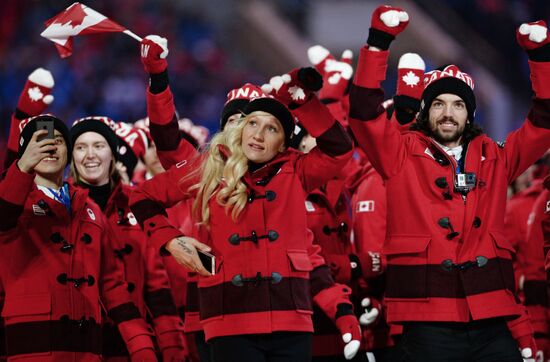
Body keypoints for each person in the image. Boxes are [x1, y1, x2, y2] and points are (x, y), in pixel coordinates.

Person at [348, 5, 550, 361]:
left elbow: (544, 123)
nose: (447, 113)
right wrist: (379, 42)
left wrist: (541, 58)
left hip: (490, 315)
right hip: (426, 318)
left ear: (470, 113)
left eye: (458, 104)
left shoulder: (496, 157)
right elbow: (364, 111)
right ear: (425, 111)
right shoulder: (400, 152)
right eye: (438, 103)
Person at [129, 68, 364, 361]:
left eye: (272, 128)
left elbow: (339, 149)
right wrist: (173, 242)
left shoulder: (295, 170)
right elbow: (143, 192)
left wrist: (301, 101)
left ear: (284, 142)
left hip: (291, 318)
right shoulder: (207, 167)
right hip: (227, 318)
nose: (258, 134)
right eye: (250, 123)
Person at [0, 115, 157, 361]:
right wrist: (21, 168)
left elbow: (113, 287)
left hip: (86, 350)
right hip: (31, 350)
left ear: (69, 153)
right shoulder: (12, 202)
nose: (50, 146)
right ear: (25, 152)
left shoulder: (90, 211)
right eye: (40, 140)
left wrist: (142, 347)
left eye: (59, 141)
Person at [69, 116, 186, 361]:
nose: (90, 155)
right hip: (78, 343)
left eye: (99, 146)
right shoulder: (61, 207)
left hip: (132, 343)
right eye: (80, 147)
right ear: (71, 157)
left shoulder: (137, 203)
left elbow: (157, 286)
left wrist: (173, 348)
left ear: (113, 153)